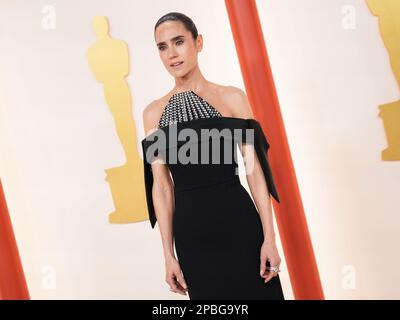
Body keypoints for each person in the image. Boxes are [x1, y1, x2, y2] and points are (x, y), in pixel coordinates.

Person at [141, 11, 285, 300]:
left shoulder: (232, 98)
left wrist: (269, 237)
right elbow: (162, 186)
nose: (172, 54)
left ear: (199, 43)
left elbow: (254, 169)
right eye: (162, 47)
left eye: (179, 41)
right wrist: (168, 255)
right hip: (192, 236)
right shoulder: (153, 113)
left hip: (240, 225)